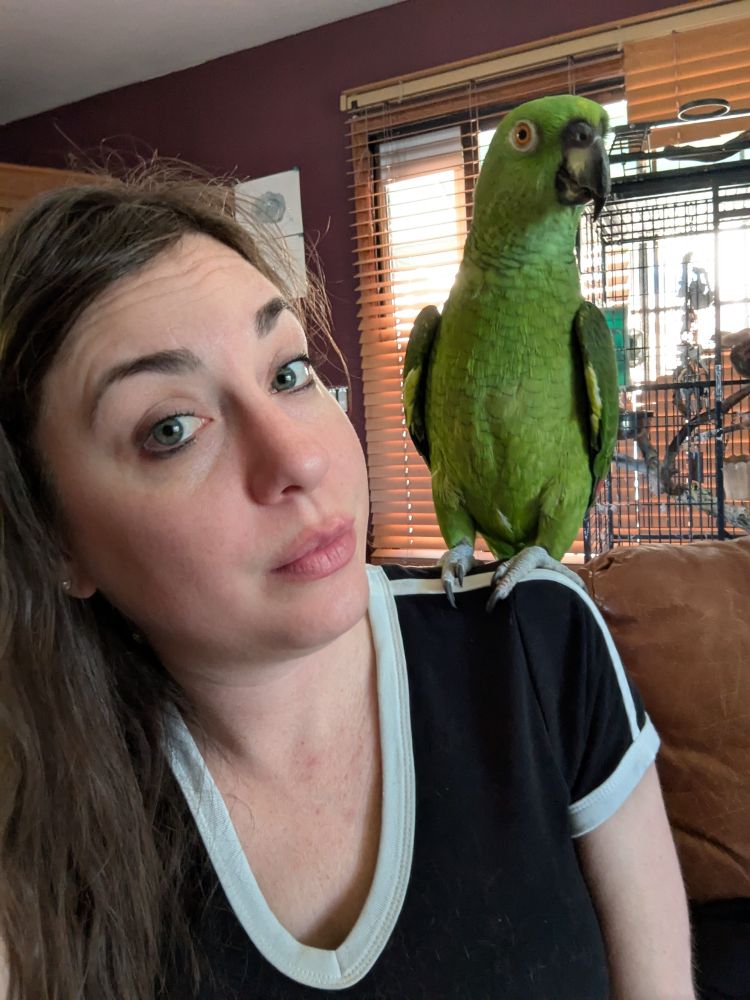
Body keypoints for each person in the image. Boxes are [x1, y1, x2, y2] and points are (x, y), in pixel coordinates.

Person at [0, 170, 694, 1000]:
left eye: (288, 373)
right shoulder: (35, 818)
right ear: (51, 542)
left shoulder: (538, 642)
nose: (301, 459)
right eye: (171, 429)